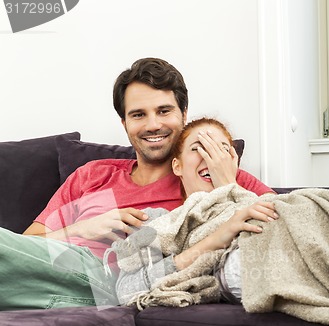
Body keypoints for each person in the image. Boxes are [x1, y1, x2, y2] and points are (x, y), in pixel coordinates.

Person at [0, 59, 274, 311]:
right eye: (138, 115)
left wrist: (225, 184)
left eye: (164, 111)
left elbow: (285, 222)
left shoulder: (207, 173)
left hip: (110, 279)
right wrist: (82, 228)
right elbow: (23, 248)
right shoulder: (92, 175)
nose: (153, 124)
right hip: (50, 271)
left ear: (183, 114)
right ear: (124, 123)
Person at [114, 117, 278, 306]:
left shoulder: (256, 204)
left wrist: (228, 186)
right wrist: (212, 241)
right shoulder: (158, 221)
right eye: (198, 148)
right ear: (177, 166)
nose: (211, 157)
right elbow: (126, 291)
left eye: (221, 150)